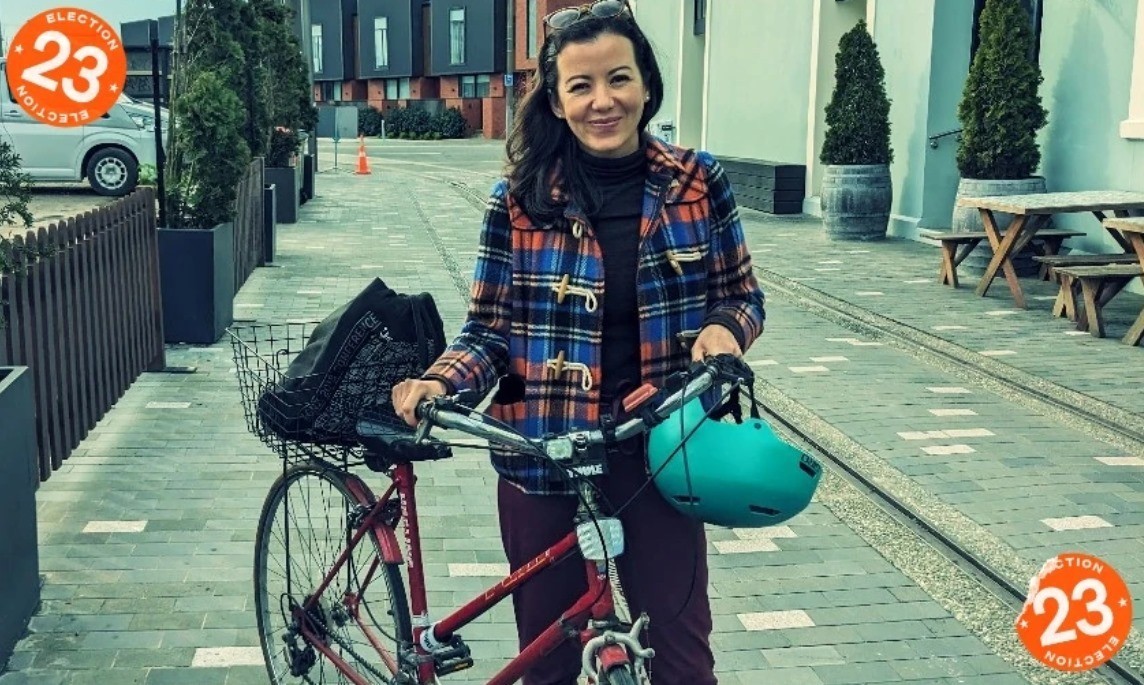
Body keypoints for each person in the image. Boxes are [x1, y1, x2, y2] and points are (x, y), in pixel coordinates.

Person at [392, 2, 765, 682]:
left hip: (659, 448)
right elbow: (490, 329)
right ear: (558, 102)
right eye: (581, 86)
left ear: (646, 84)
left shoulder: (698, 182)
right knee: (551, 658)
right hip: (543, 452)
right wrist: (442, 380)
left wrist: (722, 330)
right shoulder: (518, 200)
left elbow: (742, 294)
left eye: (618, 79)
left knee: (683, 655)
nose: (604, 101)